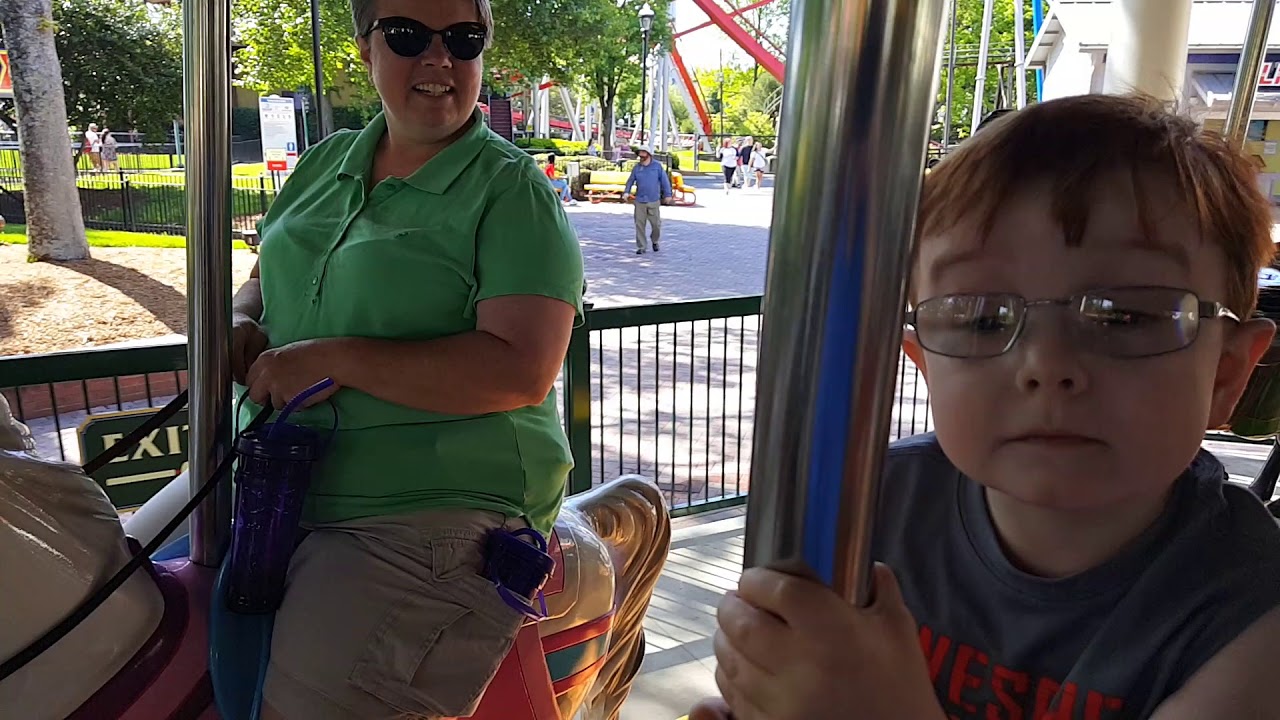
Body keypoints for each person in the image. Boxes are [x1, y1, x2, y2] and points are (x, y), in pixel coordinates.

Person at [692, 94, 1280, 720]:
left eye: (1127, 315)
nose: (1046, 366)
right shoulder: (862, 506)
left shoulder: (1252, 617)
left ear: (1226, 372)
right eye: (979, 318)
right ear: (925, 362)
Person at [229, 0, 584, 716]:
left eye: (463, 38)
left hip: (428, 506)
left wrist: (337, 359)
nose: (438, 58)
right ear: (366, 49)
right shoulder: (327, 160)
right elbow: (265, 276)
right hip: (282, 478)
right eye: (407, 36)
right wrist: (238, 322)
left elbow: (521, 369)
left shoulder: (509, 190)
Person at [623, 145, 671, 255]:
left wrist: (668, 195)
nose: (641, 156)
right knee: (639, 224)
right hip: (640, 200)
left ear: (649, 154)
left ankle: (655, 241)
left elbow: (665, 181)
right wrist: (626, 192)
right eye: (640, 153)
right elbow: (630, 181)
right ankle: (641, 246)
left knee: (656, 225)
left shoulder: (657, 167)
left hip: (653, 200)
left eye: (643, 153)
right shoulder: (637, 168)